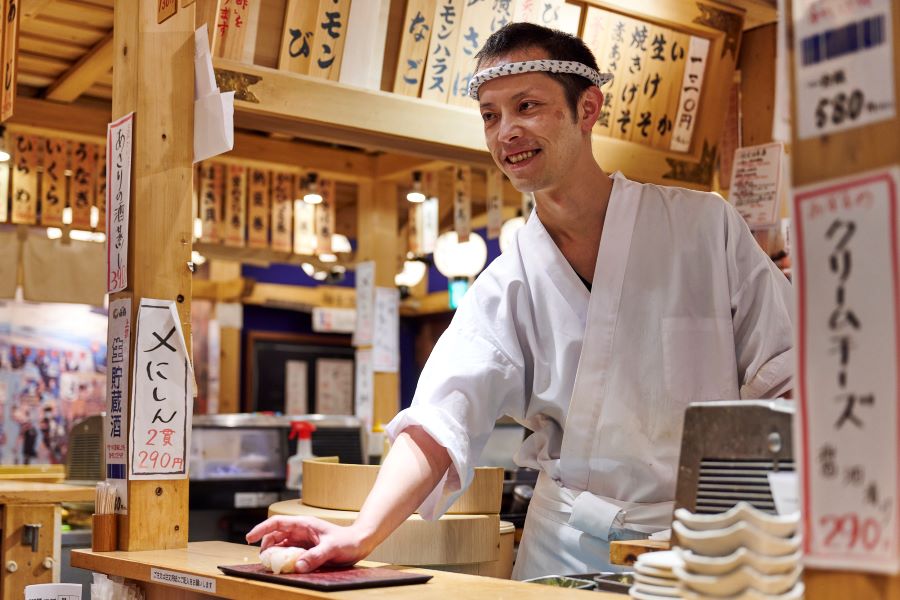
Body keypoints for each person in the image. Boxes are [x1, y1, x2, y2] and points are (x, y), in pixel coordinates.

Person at [247, 22, 793, 579]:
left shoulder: (703, 227)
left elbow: (789, 372)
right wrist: (360, 532)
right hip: (567, 544)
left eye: (526, 106)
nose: (506, 131)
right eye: (490, 115)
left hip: (708, 538)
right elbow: (439, 420)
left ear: (588, 108)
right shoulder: (508, 283)